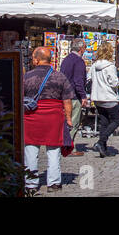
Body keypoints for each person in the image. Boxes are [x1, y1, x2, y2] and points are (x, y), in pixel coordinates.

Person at [23, 46, 74, 191]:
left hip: (32, 117)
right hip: (53, 118)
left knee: (31, 151)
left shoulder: (27, 77)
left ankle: (31, 184)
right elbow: (67, 100)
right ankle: (54, 183)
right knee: (53, 151)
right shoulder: (60, 77)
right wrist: (68, 118)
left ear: (37, 59)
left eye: (33, 57)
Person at [89, 41, 119, 158]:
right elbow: (113, 82)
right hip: (108, 97)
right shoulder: (110, 66)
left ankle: (103, 148)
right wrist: (117, 82)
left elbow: (89, 78)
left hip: (97, 97)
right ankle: (100, 141)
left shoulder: (94, 66)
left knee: (104, 122)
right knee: (117, 120)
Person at [61, 38, 88, 141]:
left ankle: (65, 143)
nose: (85, 50)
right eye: (85, 47)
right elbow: (78, 81)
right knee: (73, 122)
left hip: (65, 95)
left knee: (67, 121)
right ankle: (67, 145)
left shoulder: (66, 59)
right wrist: (83, 96)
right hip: (74, 96)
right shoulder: (78, 61)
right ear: (81, 48)